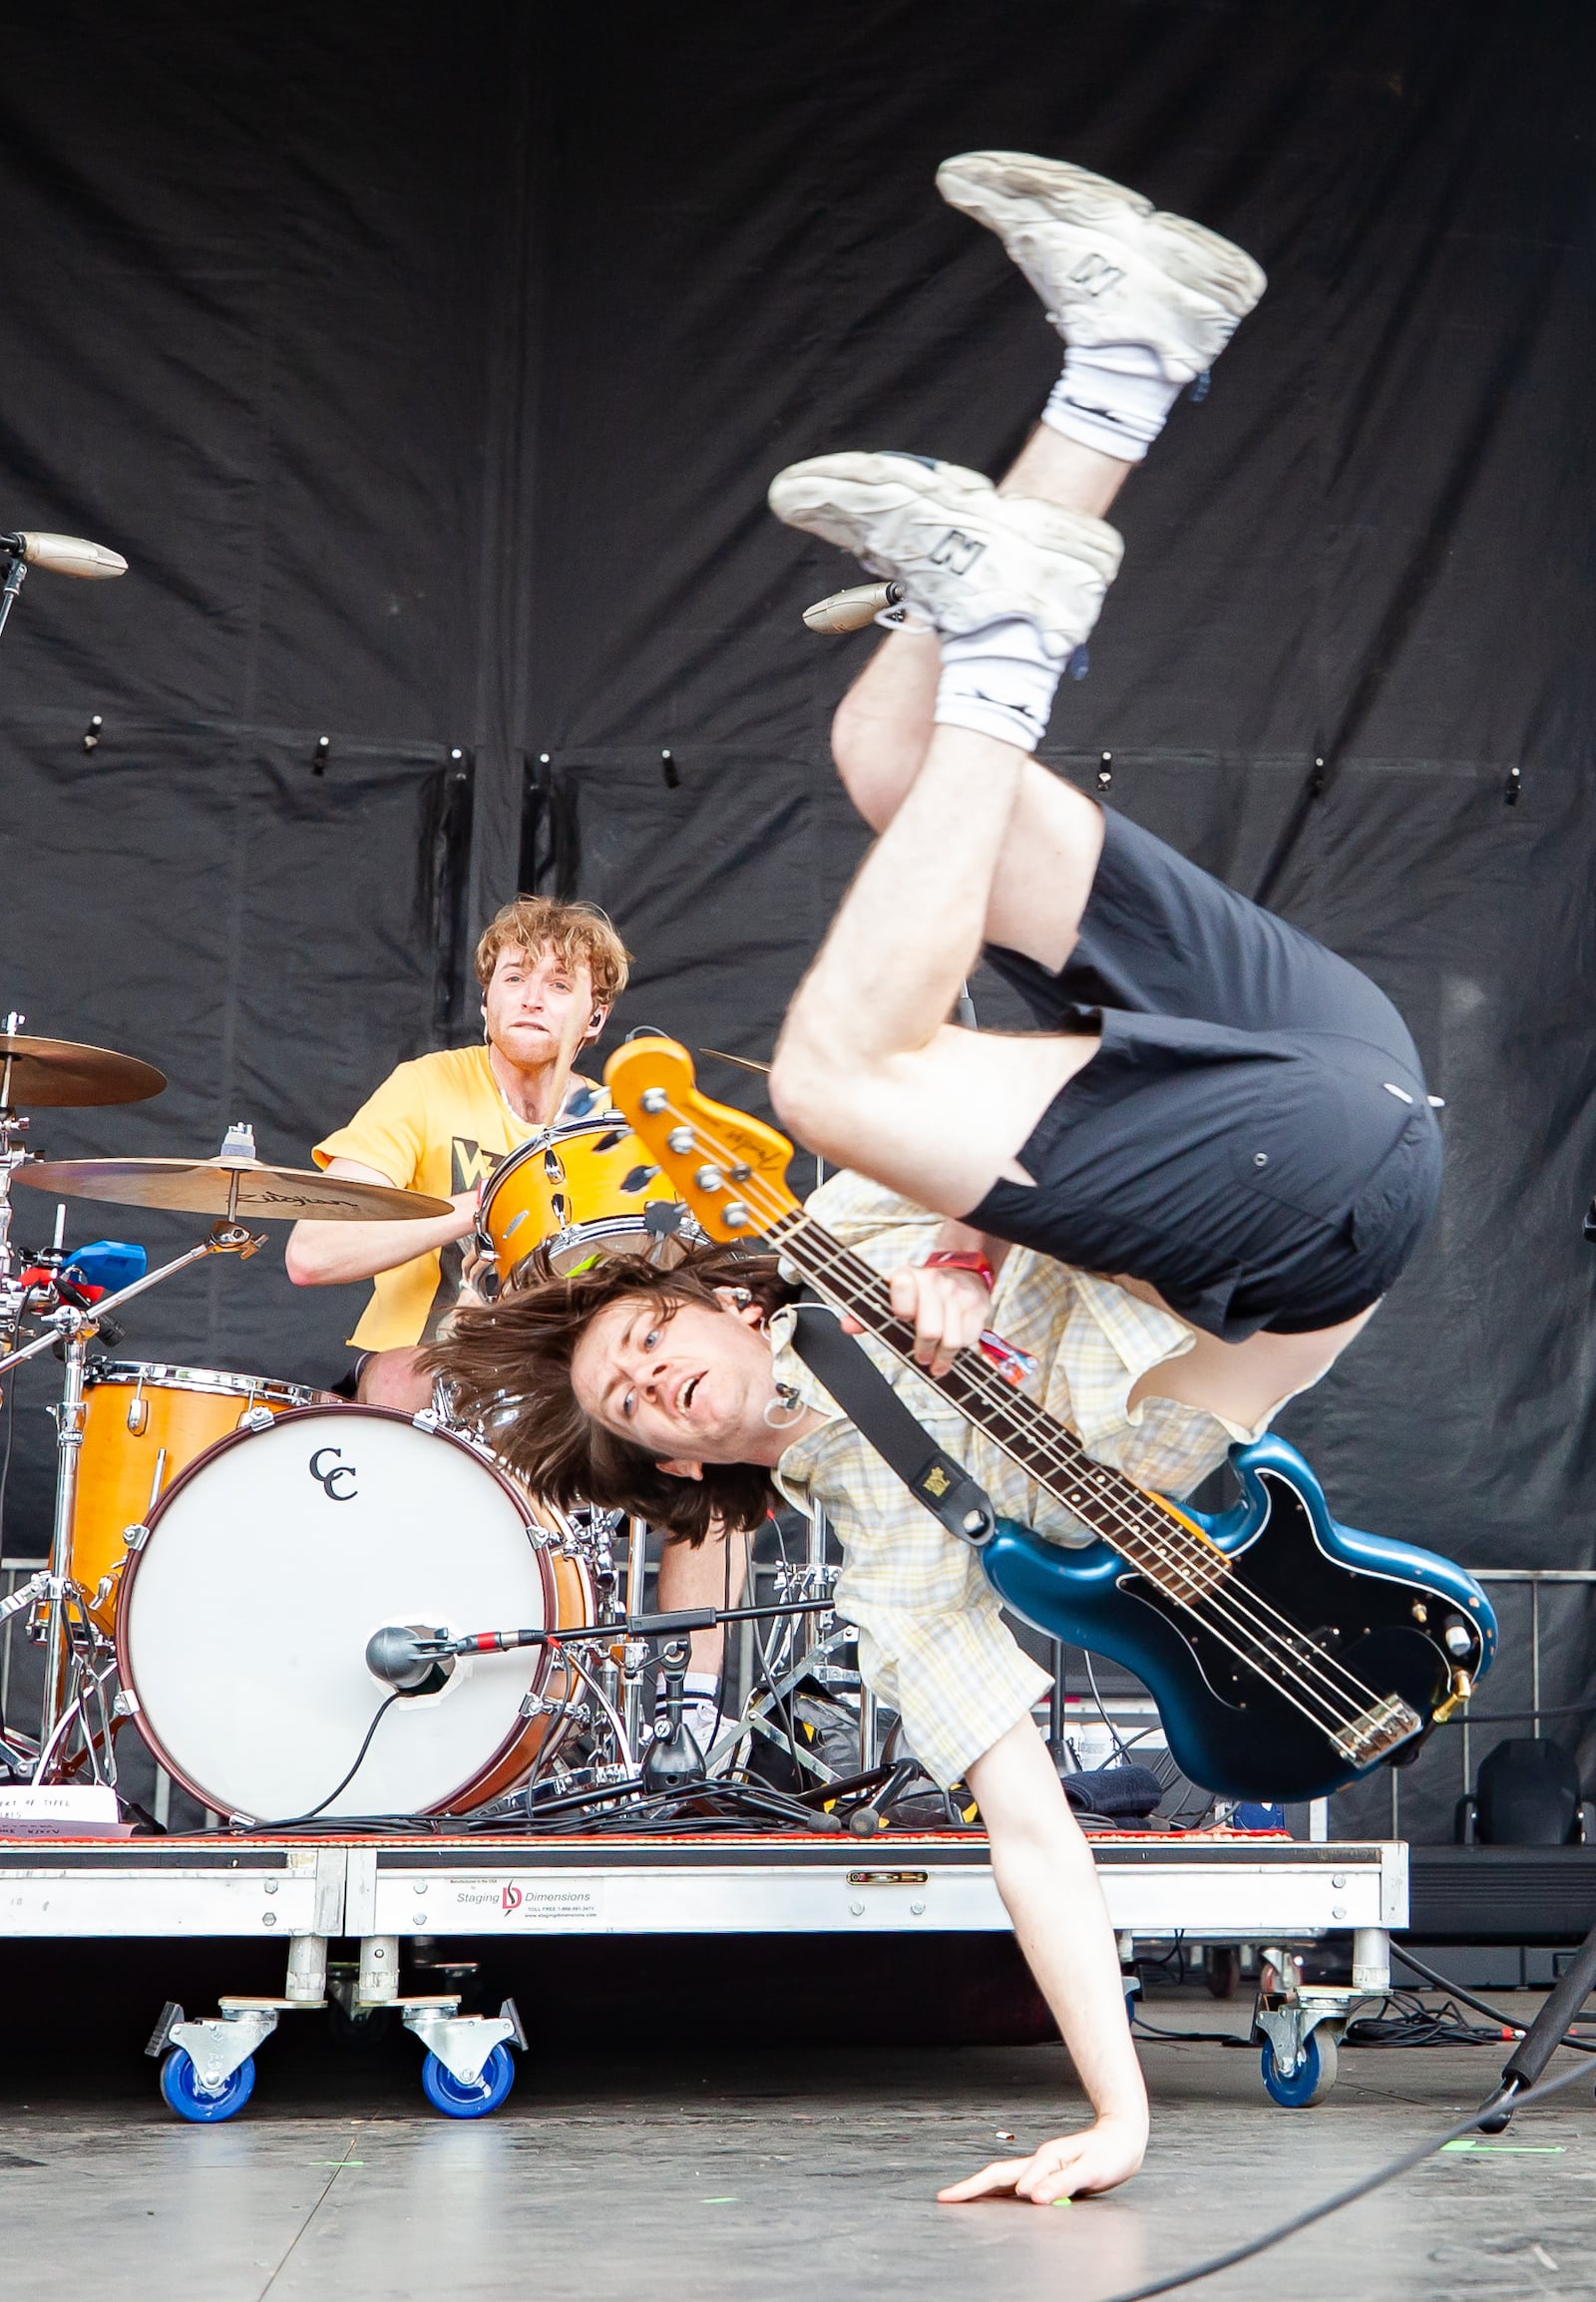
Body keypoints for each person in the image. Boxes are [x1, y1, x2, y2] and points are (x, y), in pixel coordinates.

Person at [431, 151, 1441, 2208]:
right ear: (694, 1466)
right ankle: (1007, 626)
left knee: (887, 775)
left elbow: (893, 1092)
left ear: (707, 1291)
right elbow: (1020, 1817)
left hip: (1307, 1046)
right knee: (841, 1043)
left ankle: (1125, 355)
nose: (660, 1382)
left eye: (642, 1337)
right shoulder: (895, 1544)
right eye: (640, 1413)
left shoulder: (850, 1208)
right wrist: (1120, 2114)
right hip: (1320, 1197)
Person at [285, 893, 741, 1737]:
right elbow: (311, 1253)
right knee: (399, 1378)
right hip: (433, 1356)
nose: (532, 995)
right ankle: (385, 1674)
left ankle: (693, 1718)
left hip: (570, 1379)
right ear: (487, 1000)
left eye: (558, 983)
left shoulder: (617, 1122)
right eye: (514, 977)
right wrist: (481, 1205)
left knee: (711, 1438)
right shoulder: (425, 1089)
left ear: (594, 1014)